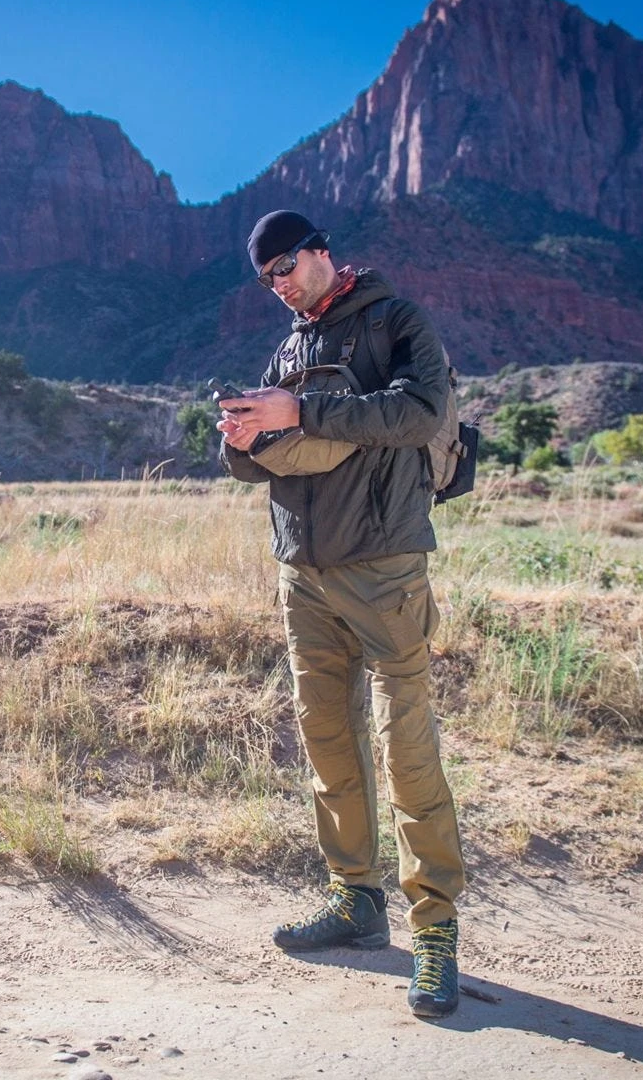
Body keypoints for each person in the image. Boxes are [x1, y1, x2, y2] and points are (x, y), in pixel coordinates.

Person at [217, 210, 466, 1018]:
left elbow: (418, 413)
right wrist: (241, 436)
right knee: (328, 740)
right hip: (304, 572)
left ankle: (435, 930)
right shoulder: (289, 349)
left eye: (286, 266)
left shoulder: (396, 321)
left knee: (406, 749)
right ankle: (355, 899)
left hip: (384, 565)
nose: (279, 285)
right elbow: (263, 464)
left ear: (321, 251)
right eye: (267, 279)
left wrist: (301, 415)